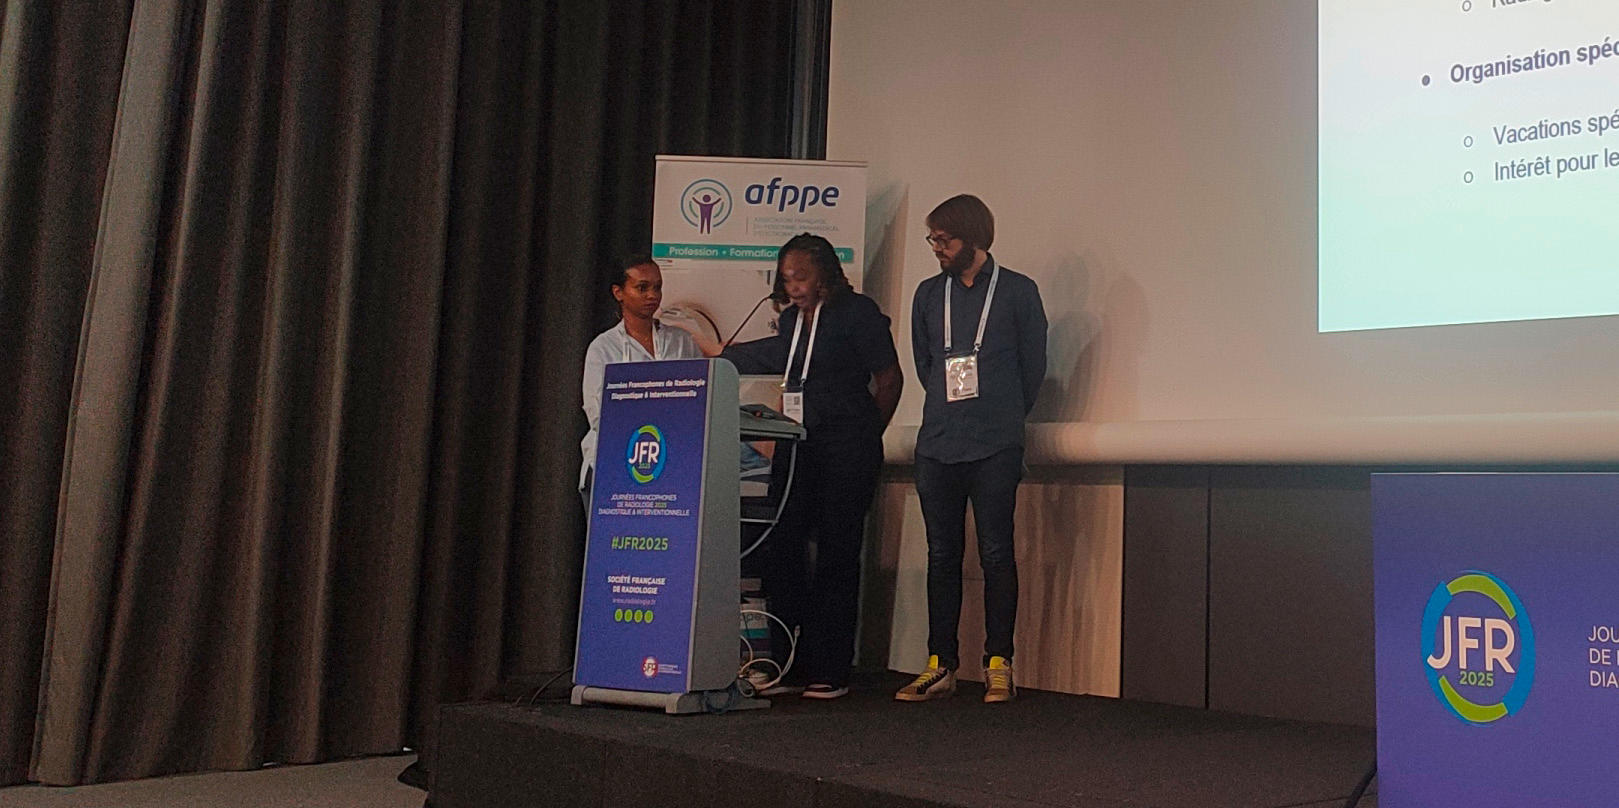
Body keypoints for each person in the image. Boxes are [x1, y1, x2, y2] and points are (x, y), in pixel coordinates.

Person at [717, 233, 903, 699]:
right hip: (798, 447)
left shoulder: (858, 313)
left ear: (825, 274)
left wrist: (866, 434)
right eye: (786, 279)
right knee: (784, 548)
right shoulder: (790, 321)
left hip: (847, 448)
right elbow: (783, 365)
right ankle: (785, 661)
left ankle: (830, 668)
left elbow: (889, 378)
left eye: (800, 277)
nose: (793, 287)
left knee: (837, 554)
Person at [895, 194, 1047, 704]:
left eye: (945, 239)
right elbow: (927, 366)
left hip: (995, 444)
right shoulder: (927, 295)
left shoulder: (1018, 291)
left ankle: (999, 662)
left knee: (996, 552)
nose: (936, 248)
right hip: (938, 443)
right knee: (942, 555)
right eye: (932, 239)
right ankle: (940, 664)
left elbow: (1033, 370)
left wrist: (1001, 414)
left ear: (974, 238)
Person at [580, 256, 702, 506]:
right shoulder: (603, 348)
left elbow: (700, 399)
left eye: (657, 287)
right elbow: (598, 414)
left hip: (672, 468)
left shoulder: (681, 342)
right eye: (642, 288)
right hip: (614, 467)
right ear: (619, 293)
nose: (652, 296)